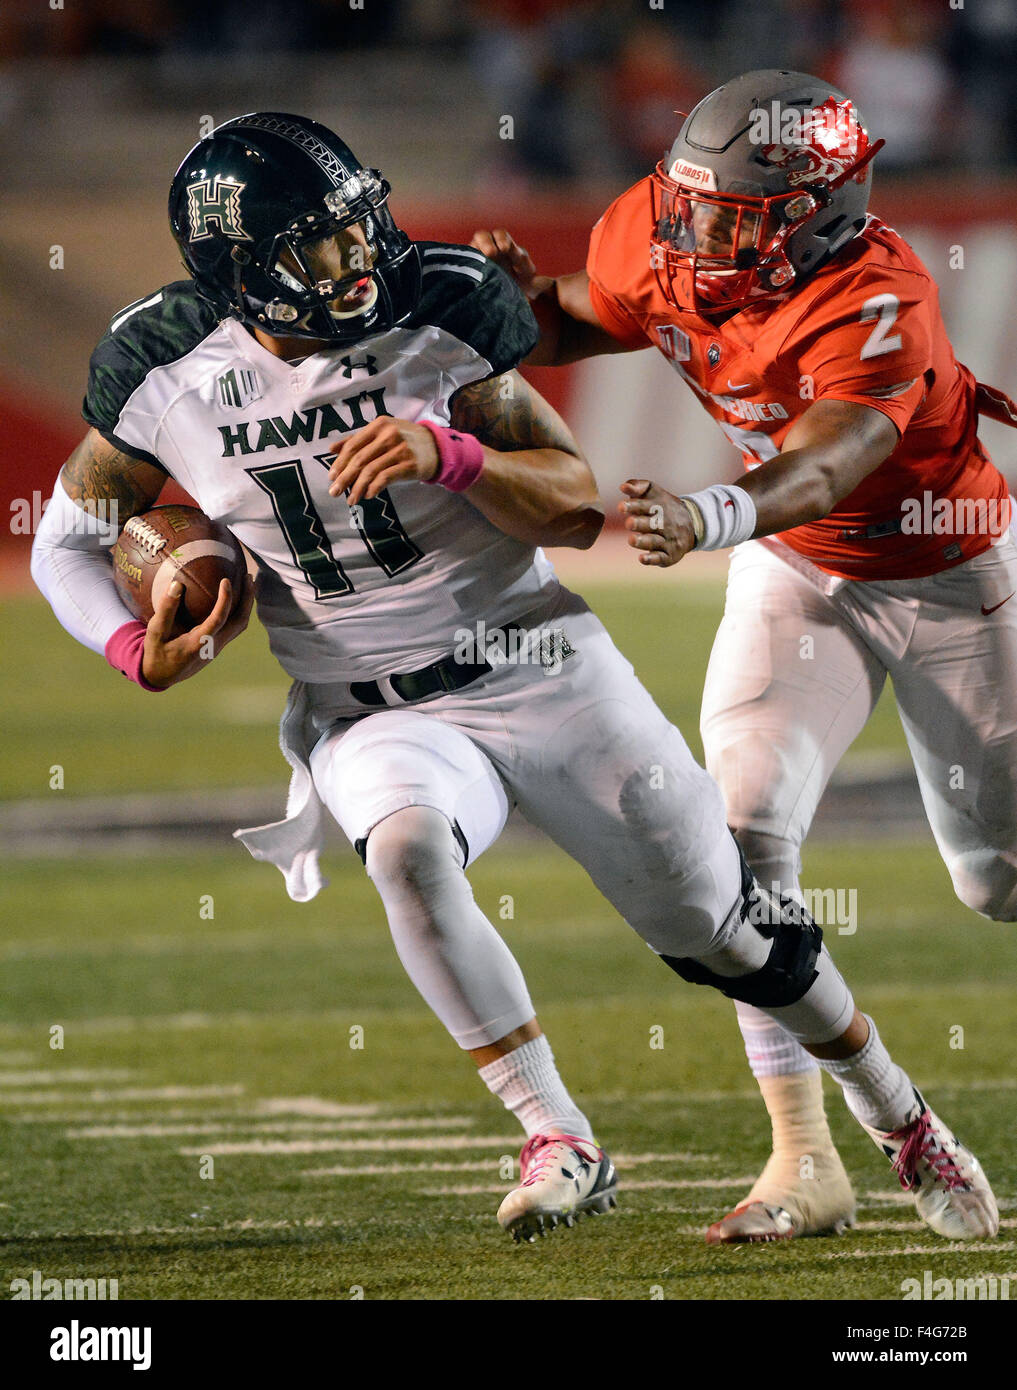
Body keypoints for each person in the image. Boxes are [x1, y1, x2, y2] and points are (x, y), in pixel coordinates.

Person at [31, 111, 997, 1247]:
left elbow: (577, 499)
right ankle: (558, 1134)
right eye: (323, 247)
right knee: (403, 847)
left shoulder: (435, 301)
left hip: (534, 656)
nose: (359, 261)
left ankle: (898, 1113)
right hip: (363, 699)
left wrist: (456, 454)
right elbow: (67, 540)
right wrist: (129, 648)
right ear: (244, 269)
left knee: (728, 927)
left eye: (359, 228)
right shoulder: (160, 363)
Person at [472, 67, 1016, 1242]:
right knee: (746, 849)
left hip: (948, 577)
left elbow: (827, 459)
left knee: (998, 882)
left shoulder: (880, 296)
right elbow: (587, 309)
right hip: (801, 575)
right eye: (691, 204)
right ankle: (806, 1160)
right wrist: (511, 311)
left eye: (730, 217)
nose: (694, 232)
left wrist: (711, 516)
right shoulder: (662, 230)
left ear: (814, 217)